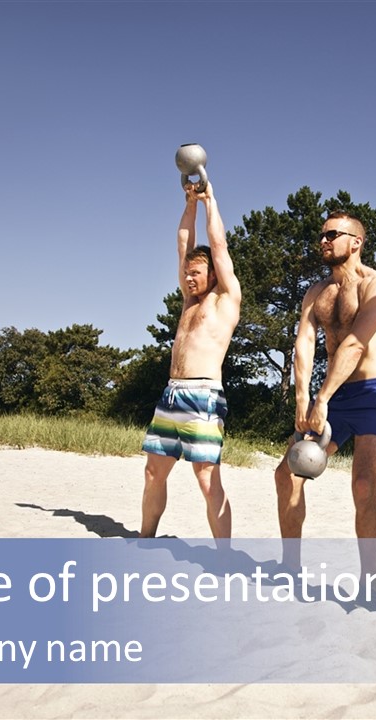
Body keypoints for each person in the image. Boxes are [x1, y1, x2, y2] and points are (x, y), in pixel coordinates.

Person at [274, 211, 376, 599]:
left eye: (333, 234)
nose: (324, 241)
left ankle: (369, 583)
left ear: (356, 242)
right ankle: (290, 566)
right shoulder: (317, 292)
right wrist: (302, 398)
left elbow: (355, 344)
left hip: (373, 392)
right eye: (322, 234)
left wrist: (322, 397)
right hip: (333, 396)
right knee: (287, 474)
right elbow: (304, 344)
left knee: (363, 485)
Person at [140, 181, 241, 539]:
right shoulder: (188, 300)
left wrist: (211, 200)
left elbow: (219, 245)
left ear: (213, 273)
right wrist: (189, 203)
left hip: (203, 396)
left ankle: (225, 558)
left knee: (206, 477)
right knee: (154, 472)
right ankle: (145, 540)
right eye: (186, 273)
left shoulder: (225, 297)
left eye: (195, 273)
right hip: (171, 395)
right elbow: (183, 241)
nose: (187, 277)